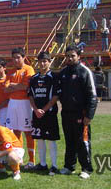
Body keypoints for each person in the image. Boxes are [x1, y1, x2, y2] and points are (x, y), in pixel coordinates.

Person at [57, 46, 97, 179]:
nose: (69, 58)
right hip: (66, 113)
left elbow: (92, 96)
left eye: (72, 55)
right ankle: (69, 166)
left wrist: (89, 115)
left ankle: (86, 168)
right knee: (69, 141)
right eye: (67, 56)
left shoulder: (85, 72)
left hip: (81, 114)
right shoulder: (63, 72)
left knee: (82, 141)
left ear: (78, 56)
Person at [28, 52, 60, 175]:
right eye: (40, 61)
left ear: (49, 62)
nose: (42, 63)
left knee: (51, 140)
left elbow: (56, 96)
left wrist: (44, 110)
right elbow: (30, 96)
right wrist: (36, 110)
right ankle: (42, 164)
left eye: (45, 61)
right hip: (36, 114)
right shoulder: (34, 78)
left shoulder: (54, 77)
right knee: (40, 139)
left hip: (49, 114)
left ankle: (54, 165)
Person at [5, 47, 36, 170]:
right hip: (13, 103)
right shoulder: (11, 71)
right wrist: (16, 86)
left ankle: (32, 160)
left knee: (28, 132)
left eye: (18, 57)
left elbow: (25, 86)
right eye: (14, 58)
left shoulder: (29, 69)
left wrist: (14, 86)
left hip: (25, 103)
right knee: (16, 131)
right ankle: (19, 158)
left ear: (23, 57)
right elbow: (5, 88)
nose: (16, 60)